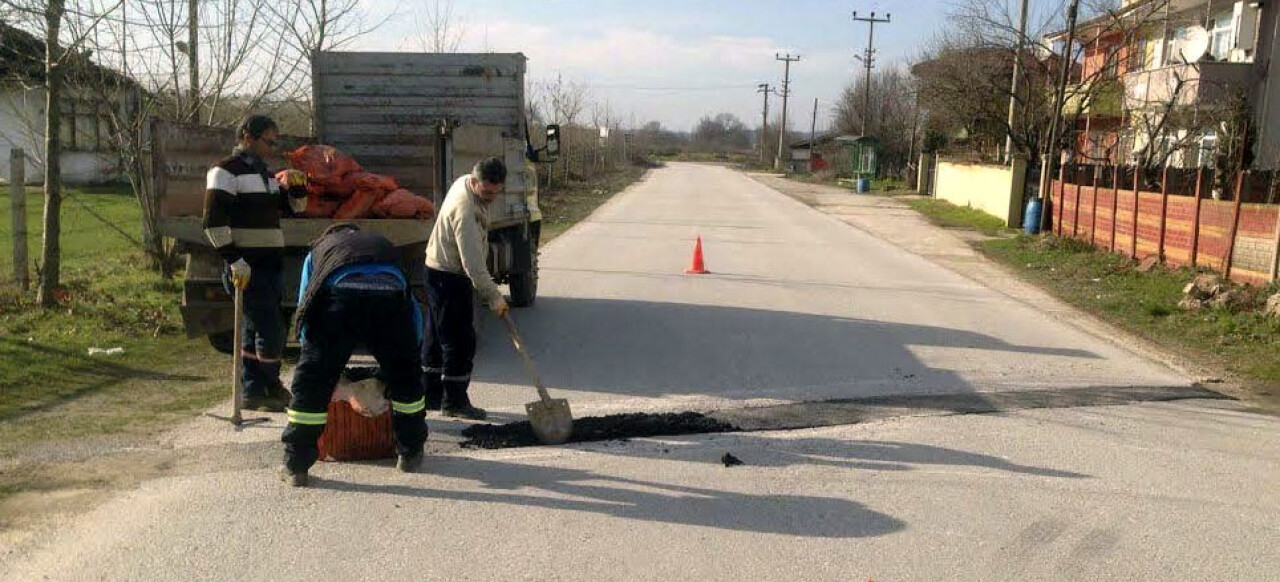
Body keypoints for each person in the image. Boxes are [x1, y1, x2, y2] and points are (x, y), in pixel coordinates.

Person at [281, 223, 429, 487]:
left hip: (340, 296)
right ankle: (410, 453)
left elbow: (307, 300)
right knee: (407, 381)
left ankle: (297, 465)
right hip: (389, 296)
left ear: (329, 235)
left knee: (312, 385)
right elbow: (411, 306)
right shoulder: (384, 244)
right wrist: (406, 356)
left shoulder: (319, 250)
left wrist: (315, 355)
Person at [202, 114, 308, 412]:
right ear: (248, 136)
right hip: (246, 267)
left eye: (275, 142)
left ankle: (252, 390)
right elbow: (212, 222)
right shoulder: (224, 172)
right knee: (271, 330)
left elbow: (294, 210)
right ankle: (272, 386)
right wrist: (234, 260)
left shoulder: (267, 176)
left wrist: (298, 190)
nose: (272, 148)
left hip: (270, 265)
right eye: (268, 141)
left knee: (252, 330)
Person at [421, 157, 510, 420]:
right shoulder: (465, 211)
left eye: (496, 192)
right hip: (448, 276)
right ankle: (455, 402)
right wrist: (494, 297)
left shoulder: (465, 182)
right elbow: (473, 266)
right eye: (487, 192)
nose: (492, 197)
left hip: (437, 269)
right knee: (460, 341)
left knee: (436, 336)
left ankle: (431, 395)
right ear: (474, 182)